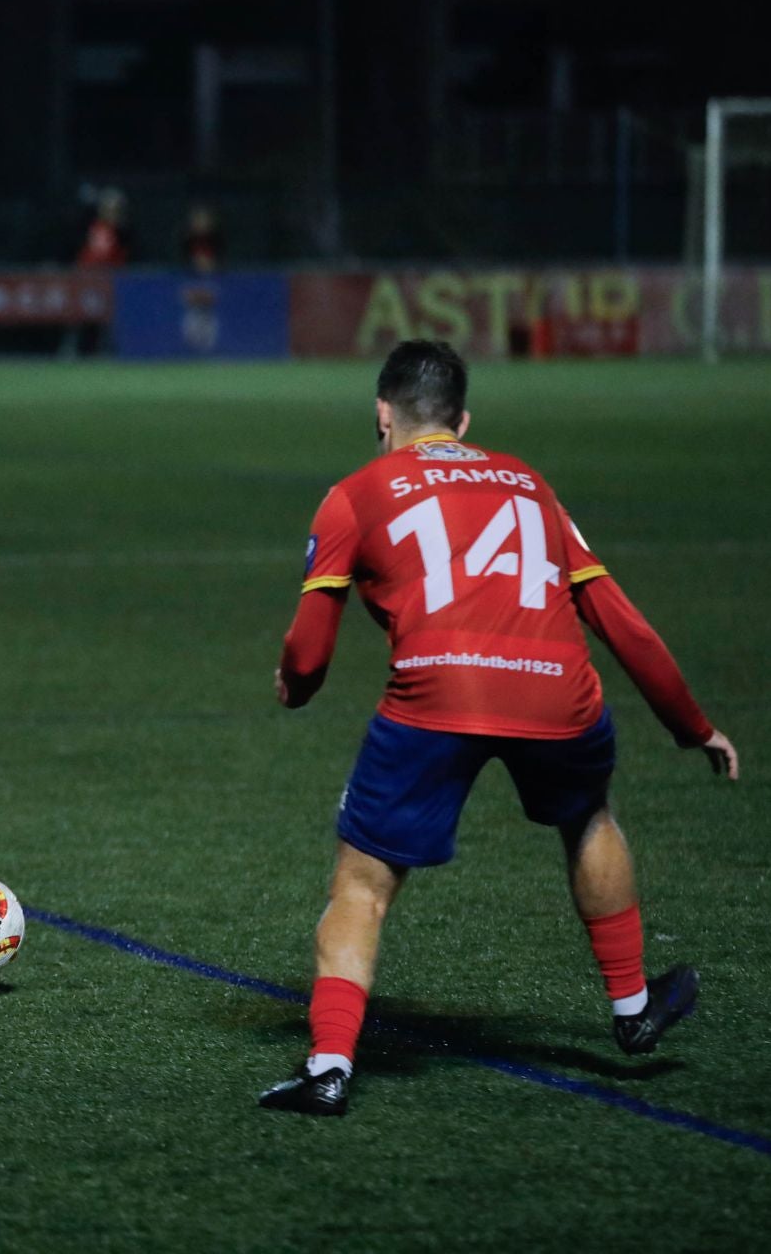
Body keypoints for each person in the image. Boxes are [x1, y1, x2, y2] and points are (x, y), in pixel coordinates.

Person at [258, 339, 739, 1117]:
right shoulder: (530, 484)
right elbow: (621, 622)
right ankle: (631, 1007)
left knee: (364, 881)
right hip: (559, 693)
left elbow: (308, 650)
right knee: (586, 817)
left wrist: (298, 686)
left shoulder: (354, 494)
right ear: (464, 420)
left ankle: (329, 1068)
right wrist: (692, 725)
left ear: (382, 413)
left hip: (436, 692)